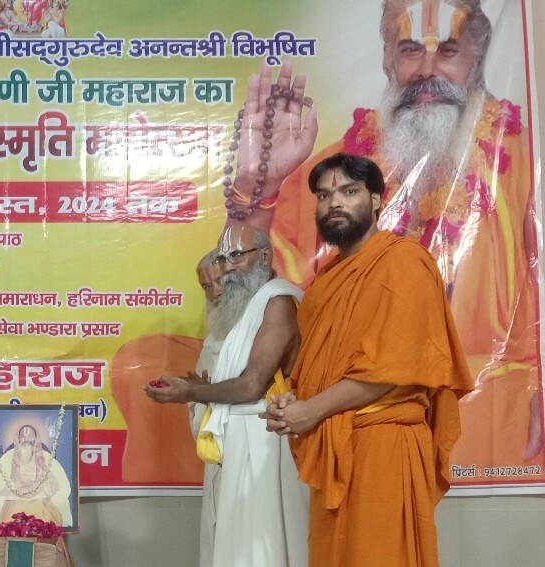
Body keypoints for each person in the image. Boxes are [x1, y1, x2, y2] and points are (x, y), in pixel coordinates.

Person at [228, 0, 538, 464]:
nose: (426, 71)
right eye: (410, 49)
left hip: (485, 398)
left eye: (448, 50)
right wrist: (258, 189)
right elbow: (246, 302)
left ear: (478, 57)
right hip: (335, 405)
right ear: (387, 59)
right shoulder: (333, 175)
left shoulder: (525, 164)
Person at [263, 154, 474, 567]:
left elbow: (388, 370)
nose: (334, 203)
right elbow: (318, 365)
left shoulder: (404, 263)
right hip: (333, 446)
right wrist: (293, 400)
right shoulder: (326, 282)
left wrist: (310, 410)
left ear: (376, 200)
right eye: (324, 196)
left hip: (383, 446)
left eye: (349, 191)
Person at [146, 226, 308, 567]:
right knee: (233, 547)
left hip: (265, 444)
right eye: (223, 258)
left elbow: (251, 386)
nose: (228, 267)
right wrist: (201, 389)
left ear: (264, 256)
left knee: (261, 549)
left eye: (236, 255)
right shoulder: (246, 309)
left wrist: (191, 392)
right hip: (236, 444)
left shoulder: (277, 302)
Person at [0, 424, 73, 529]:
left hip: (40, 498)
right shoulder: (7, 457)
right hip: (14, 498)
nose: (26, 439)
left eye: (30, 436)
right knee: (13, 507)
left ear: (36, 439)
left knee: (40, 507)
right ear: (18, 439)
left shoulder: (46, 457)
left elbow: (61, 483)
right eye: (22, 436)